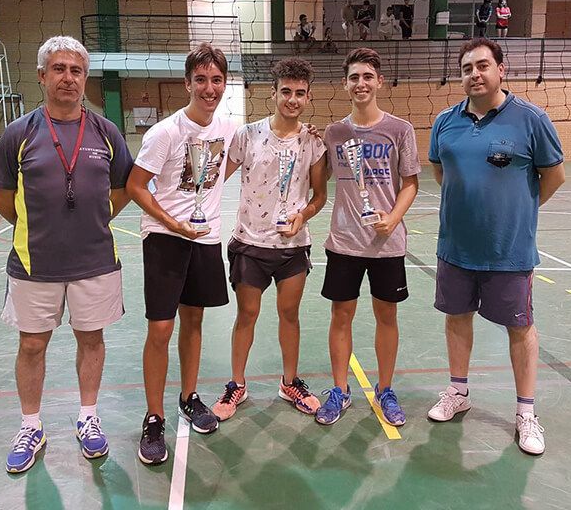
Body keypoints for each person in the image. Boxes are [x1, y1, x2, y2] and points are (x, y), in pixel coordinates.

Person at [0, 35, 133, 473]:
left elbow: (123, 189)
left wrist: (91, 222)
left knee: (92, 339)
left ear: (85, 78)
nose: (68, 78)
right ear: (42, 76)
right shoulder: (20, 132)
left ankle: (88, 416)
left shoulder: (106, 131)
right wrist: (38, 229)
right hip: (35, 264)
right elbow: (0, 197)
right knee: (32, 344)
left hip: (95, 261)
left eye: (76, 70)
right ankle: (31, 425)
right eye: (59, 69)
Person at [427, 37, 565, 456]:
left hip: (509, 251)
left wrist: (516, 213)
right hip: (455, 246)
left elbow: (554, 177)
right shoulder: (445, 121)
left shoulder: (530, 119)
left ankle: (526, 412)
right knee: (457, 317)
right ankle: (458, 391)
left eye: (483, 65)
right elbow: (439, 170)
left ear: (501, 69)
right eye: (467, 68)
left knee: (519, 328)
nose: (475, 74)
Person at [126, 43, 237, 465]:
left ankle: (189, 397)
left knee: (194, 322)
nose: (209, 88)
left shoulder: (227, 129)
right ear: (187, 83)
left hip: (205, 240)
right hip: (166, 239)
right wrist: (173, 223)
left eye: (216, 80)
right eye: (201, 80)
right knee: (161, 330)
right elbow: (137, 185)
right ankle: (153, 417)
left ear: (224, 84)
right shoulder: (165, 132)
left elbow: (233, 161)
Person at [211, 58, 328, 421]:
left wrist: (302, 217)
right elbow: (213, 179)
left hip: (293, 246)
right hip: (250, 243)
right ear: (273, 93)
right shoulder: (247, 135)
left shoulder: (313, 142)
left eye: (300, 93)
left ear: (308, 97)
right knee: (247, 314)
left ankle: (289, 381)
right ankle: (237, 384)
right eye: (286, 92)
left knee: (288, 314)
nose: (292, 99)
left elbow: (319, 197)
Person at [316, 47, 421, 427]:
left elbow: (410, 183)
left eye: (367, 77)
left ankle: (386, 389)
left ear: (380, 82)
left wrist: (393, 218)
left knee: (386, 316)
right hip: (344, 241)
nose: (361, 83)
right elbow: (317, 179)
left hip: (386, 244)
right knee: (340, 314)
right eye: (354, 77)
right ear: (345, 84)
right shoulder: (333, 133)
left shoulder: (399, 129)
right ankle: (340, 390)